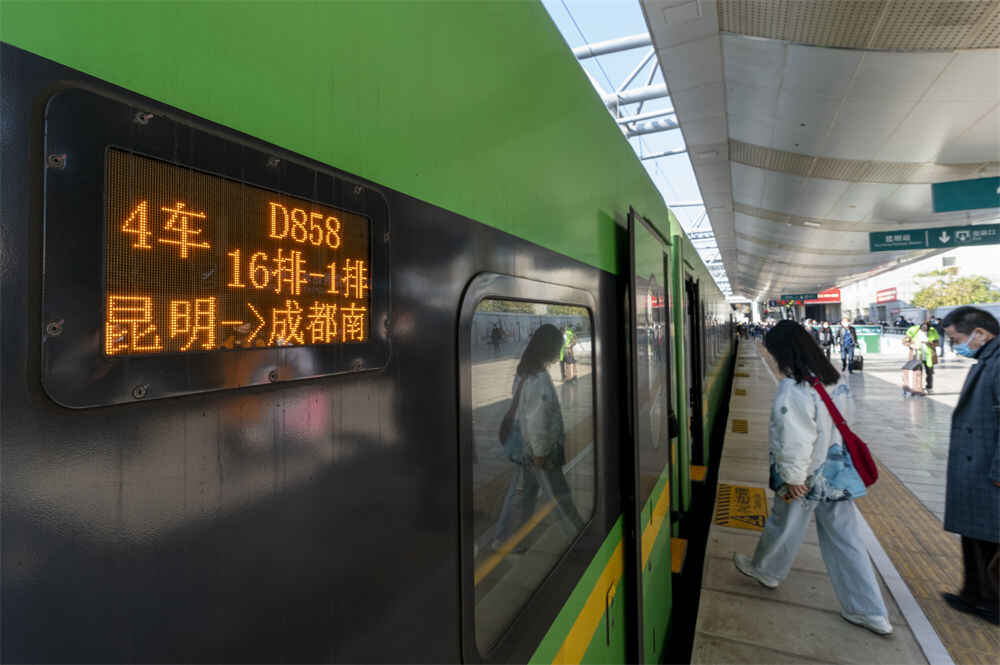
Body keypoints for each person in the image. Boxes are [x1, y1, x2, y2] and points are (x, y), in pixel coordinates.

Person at [732, 320, 892, 636]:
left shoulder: (794, 388)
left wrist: (793, 478)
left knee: (784, 523)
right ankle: (870, 611)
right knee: (846, 540)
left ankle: (766, 571)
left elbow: (793, 437)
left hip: (806, 475)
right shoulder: (833, 378)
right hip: (837, 474)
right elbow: (847, 421)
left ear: (784, 352)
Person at [492, 324, 585, 551]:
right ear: (549, 348)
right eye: (557, 347)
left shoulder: (524, 371)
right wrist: (542, 454)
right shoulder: (539, 378)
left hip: (526, 447)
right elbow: (536, 421)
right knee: (560, 494)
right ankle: (579, 536)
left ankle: (509, 539)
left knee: (527, 494)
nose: (558, 352)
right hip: (538, 451)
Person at [939, 306, 1000, 625]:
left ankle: (992, 603)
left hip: (989, 471)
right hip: (976, 467)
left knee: (990, 540)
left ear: (980, 333)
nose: (955, 346)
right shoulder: (988, 358)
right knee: (974, 536)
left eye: (956, 339)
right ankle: (972, 594)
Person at [905, 321, 939, 393]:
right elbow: (905, 342)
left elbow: (937, 343)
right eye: (923, 326)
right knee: (918, 373)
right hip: (917, 355)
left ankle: (929, 387)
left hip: (929, 356)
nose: (925, 328)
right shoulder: (914, 332)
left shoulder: (932, 333)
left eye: (926, 327)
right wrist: (912, 345)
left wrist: (929, 342)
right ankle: (918, 388)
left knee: (929, 373)